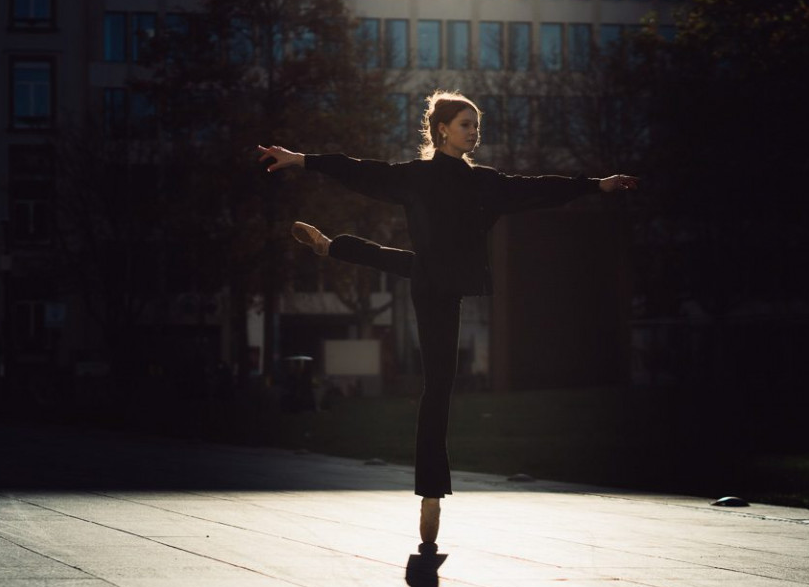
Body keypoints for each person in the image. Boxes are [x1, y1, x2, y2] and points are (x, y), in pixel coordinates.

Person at [259, 90, 637, 549]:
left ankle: (330, 246)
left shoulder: (487, 183)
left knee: (399, 261)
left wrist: (595, 184)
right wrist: (301, 159)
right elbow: (359, 170)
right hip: (434, 287)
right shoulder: (415, 178)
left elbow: (538, 187)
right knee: (438, 386)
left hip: (441, 273)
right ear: (442, 129)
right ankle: (431, 492)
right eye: (465, 125)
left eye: (476, 126)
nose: (473, 132)